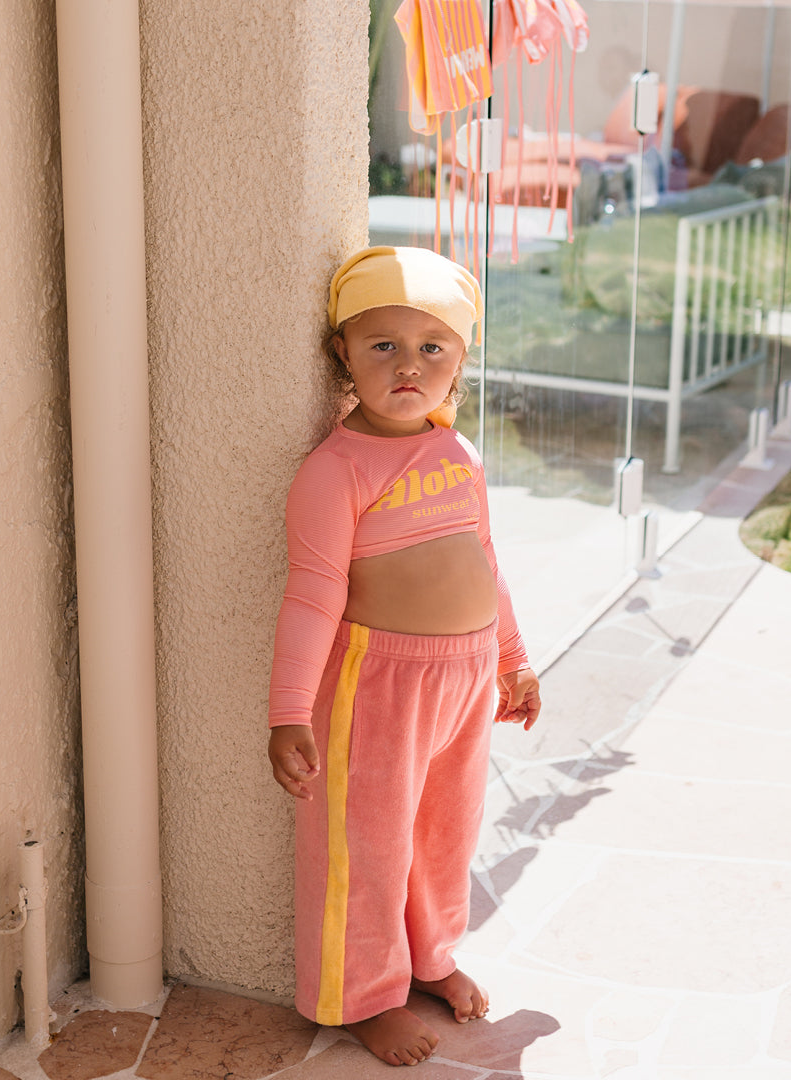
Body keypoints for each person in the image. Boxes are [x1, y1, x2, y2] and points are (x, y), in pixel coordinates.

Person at [267, 245, 541, 1067]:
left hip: (463, 680)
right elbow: (313, 595)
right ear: (341, 354)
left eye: (433, 347)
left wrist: (512, 658)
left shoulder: (459, 454)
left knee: (443, 834)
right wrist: (287, 711)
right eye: (383, 344)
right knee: (368, 843)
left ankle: (430, 960)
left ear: (459, 360)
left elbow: (483, 561)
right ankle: (365, 996)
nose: (409, 365)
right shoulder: (336, 470)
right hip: (376, 685)